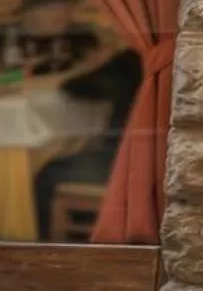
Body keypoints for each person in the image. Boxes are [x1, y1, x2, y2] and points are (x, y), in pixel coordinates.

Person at [33, 34, 143, 242]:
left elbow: (76, 87)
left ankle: (49, 252)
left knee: (47, 175)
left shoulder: (136, 59)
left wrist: (99, 65)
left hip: (123, 164)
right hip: (153, 163)